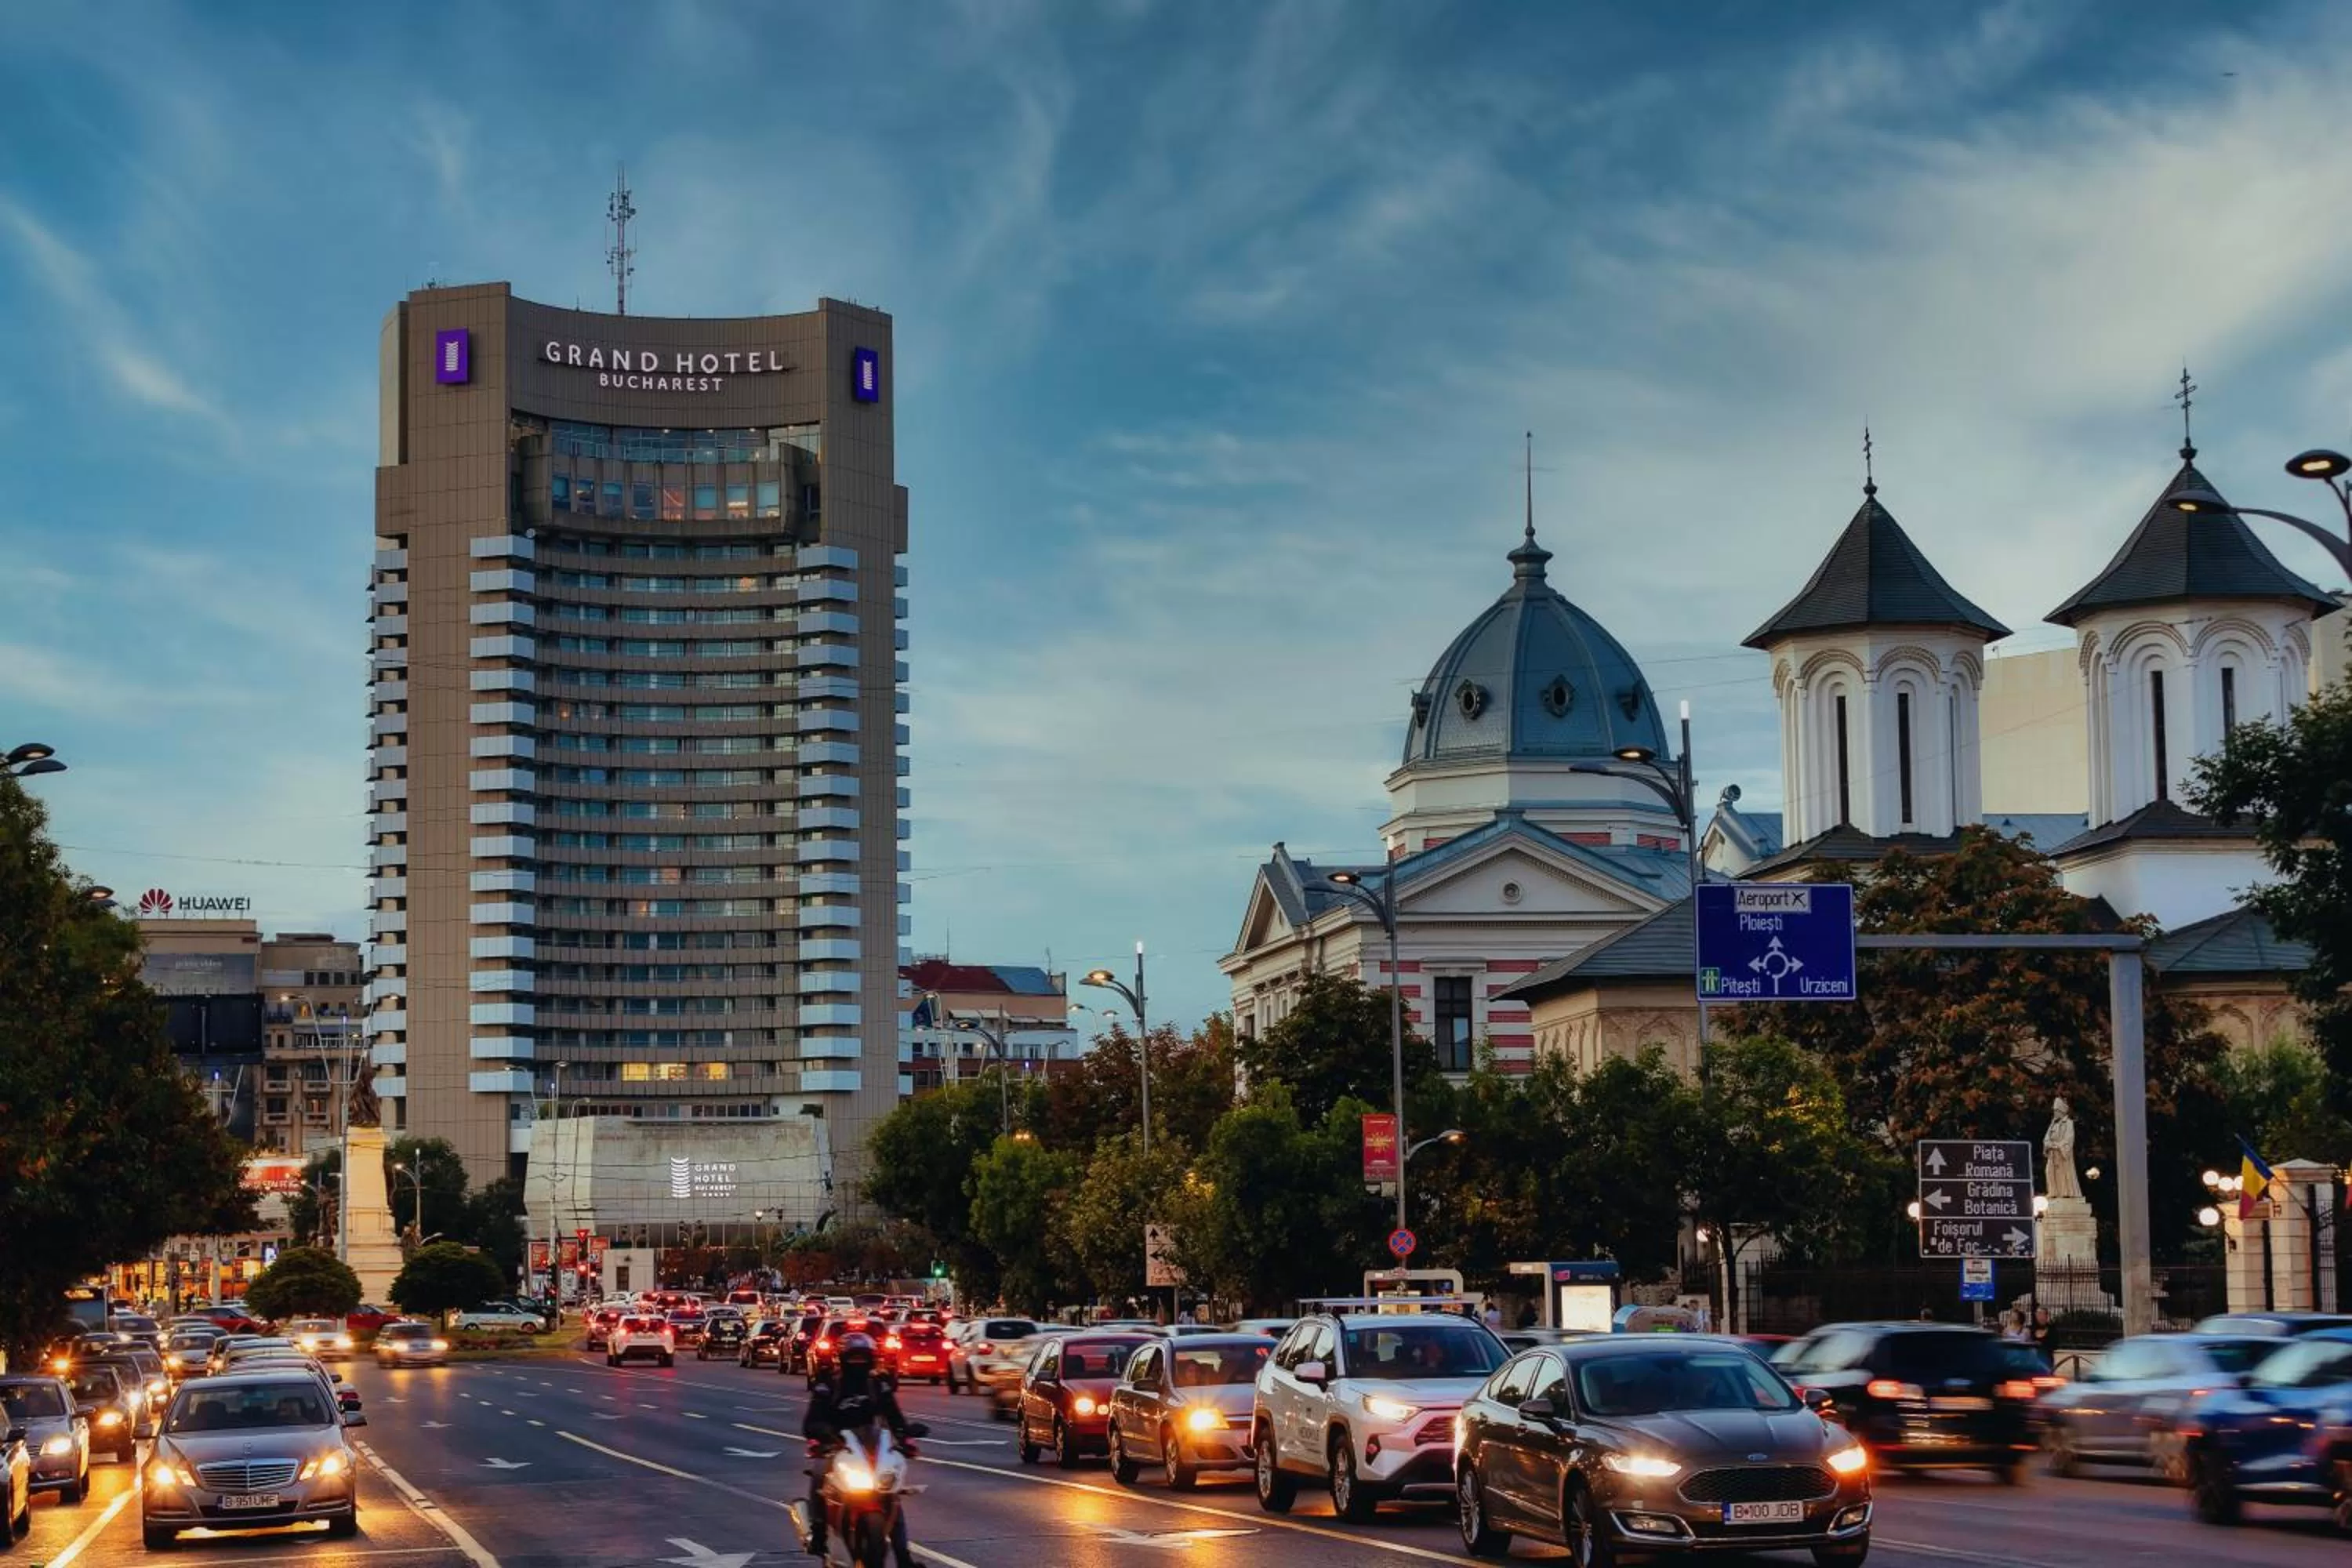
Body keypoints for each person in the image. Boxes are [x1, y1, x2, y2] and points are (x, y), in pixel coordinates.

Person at [802, 1332, 918, 1566]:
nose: (858, 1363)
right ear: (842, 1359)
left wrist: (906, 1438)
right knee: (818, 1473)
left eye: (862, 1358)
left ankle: (904, 1556)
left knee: (892, 1490)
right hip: (837, 1446)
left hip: (871, 1446)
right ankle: (819, 1532)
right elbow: (811, 1421)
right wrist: (823, 1433)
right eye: (853, 1358)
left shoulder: (878, 1385)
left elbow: (894, 1416)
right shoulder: (828, 1385)